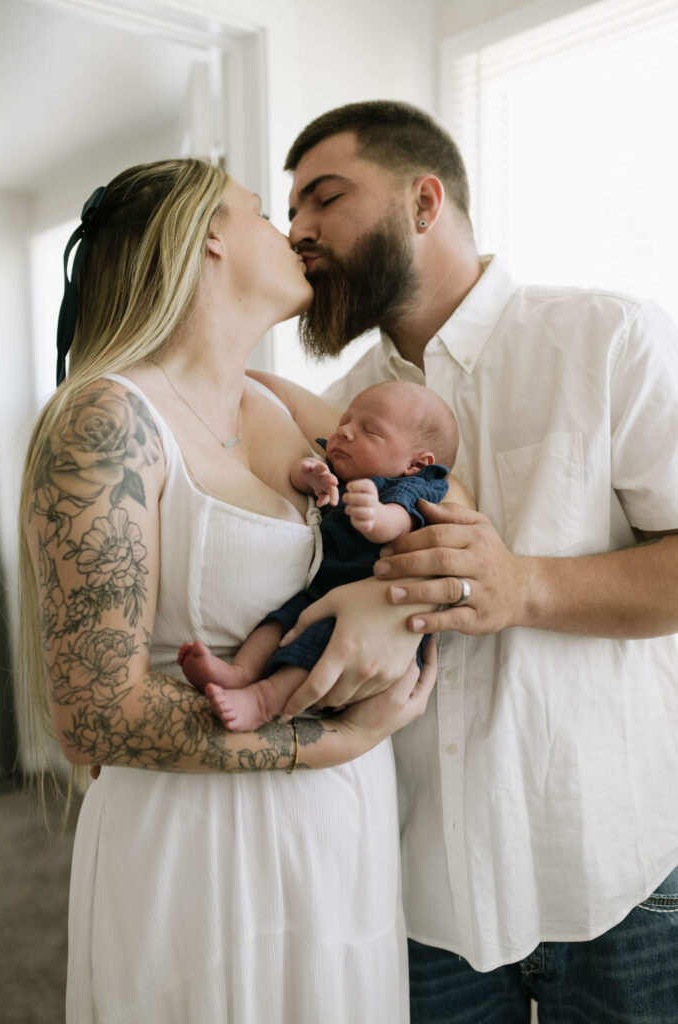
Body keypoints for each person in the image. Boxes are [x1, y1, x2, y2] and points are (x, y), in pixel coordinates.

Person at [17, 158, 439, 1024]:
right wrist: (324, 741)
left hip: (337, 828)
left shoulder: (278, 407)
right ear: (208, 234)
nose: (291, 232)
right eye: (260, 210)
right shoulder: (107, 418)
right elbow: (91, 714)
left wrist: (385, 608)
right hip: (198, 838)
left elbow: (442, 510)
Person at [282, 101, 678, 1023]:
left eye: (325, 198)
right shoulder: (334, 415)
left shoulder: (610, 342)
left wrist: (526, 584)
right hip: (418, 892)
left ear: (425, 201)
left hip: (620, 876)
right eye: (290, 213)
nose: (298, 231)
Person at [178, 380, 471, 731]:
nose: (345, 431)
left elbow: (402, 522)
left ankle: (263, 700)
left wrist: (375, 517)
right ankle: (238, 672)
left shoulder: (411, 488)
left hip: (373, 617)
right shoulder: (343, 467)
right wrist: (309, 476)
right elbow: (298, 479)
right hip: (323, 592)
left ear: (416, 463)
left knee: (319, 643)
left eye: (370, 430)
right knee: (278, 622)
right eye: (343, 422)